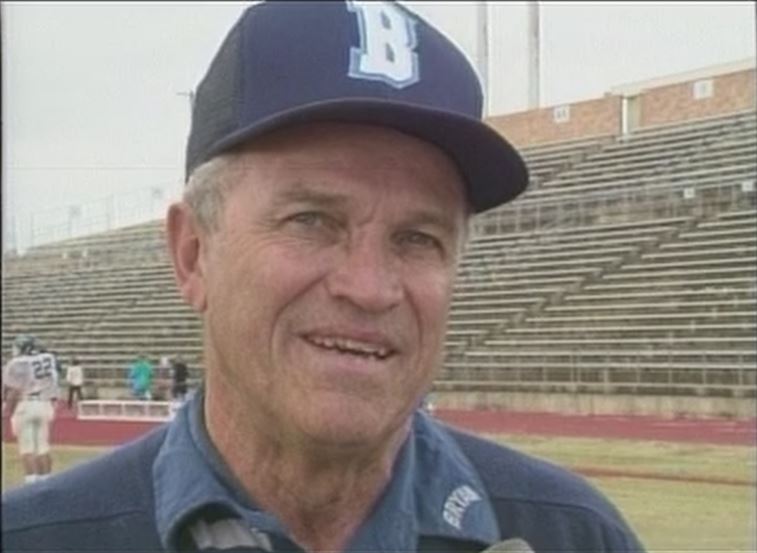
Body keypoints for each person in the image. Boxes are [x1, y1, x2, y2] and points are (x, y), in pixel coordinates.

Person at [1, 2, 646, 552]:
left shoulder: (574, 536)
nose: (369, 287)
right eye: (311, 220)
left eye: (418, 238)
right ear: (194, 253)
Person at [2, 335, 59, 485]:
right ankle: (47, 482)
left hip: (26, 404)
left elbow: (14, 390)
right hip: (45, 403)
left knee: (27, 448)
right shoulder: (47, 358)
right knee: (43, 447)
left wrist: (8, 410)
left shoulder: (18, 363)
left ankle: (31, 484)